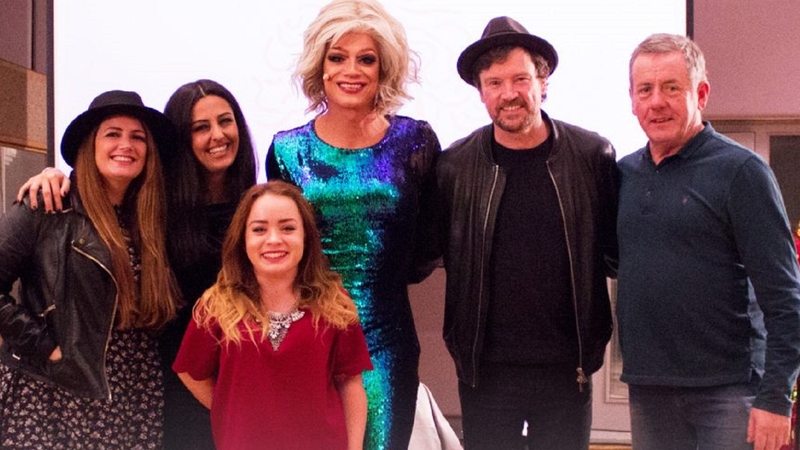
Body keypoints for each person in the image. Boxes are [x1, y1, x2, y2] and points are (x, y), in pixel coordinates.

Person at [16, 79, 259, 450]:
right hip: (167, 385)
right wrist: (53, 176)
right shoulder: (157, 210)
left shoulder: (255, 208)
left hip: (227, 381)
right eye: (200, 127)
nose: (217, 135)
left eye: (225, 121)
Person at [434, 16, 619, 449]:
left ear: (544, 81)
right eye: (494, 82)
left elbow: (614, 252)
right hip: (486, 372)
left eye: (520, 78)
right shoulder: (454, 168)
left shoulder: (592, 156)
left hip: (567, 371)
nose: (509, 94)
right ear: (480, 92)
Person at [266, 0, 442, 448]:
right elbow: (277, 254)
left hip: (387, 342)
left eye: (367, 59)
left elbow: (428, 241)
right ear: (320, 66)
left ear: (384, 69)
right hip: (307, 340)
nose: (352, 70)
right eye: (338, 57)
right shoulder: (286, 152)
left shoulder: (415, 141)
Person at [617, 33, 800, 450]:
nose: (656, 101)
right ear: (632, 99)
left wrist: (775, 397)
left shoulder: (742, 173)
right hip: (649, 390)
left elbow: (785, 297)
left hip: (729, 392)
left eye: (670, 88)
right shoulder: (625, 175)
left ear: (701, 93)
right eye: (645, 89)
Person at [0, 90, 181, 448]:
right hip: (55, 392)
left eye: (137, 137)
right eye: (112, 133)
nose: (125, 145)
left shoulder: (152, 217)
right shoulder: (47, 204)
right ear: (90, 144)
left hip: (134, 391)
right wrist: (46, 347)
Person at [172, 180, 373, 450]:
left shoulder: (334, 302)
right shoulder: (217, 305)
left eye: (288, 228)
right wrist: (231, 409)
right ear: (243, 239)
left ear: (306, 237)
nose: (274, 239)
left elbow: (351, 383)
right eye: (259, 229)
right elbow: (190, 372)